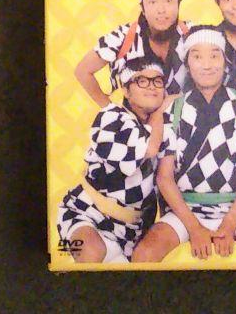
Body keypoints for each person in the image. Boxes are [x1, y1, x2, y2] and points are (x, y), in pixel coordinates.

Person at [131, 26, 236, 263]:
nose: (207, 65)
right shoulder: (173, 107)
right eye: (197, 56)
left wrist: (229, 224)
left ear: (225, 61)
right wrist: (194, 228)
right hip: (185, 209)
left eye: (214, 55)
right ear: (187, 63)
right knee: (144, 256)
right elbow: (164, 177)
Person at [56, 57, 170, 263]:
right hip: (86, 212)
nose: (151, 86)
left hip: (129, 232)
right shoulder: (112, 116)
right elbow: (149, 149)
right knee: (91, 252)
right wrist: (161, 111)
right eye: (142, 81)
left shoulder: (162, 128)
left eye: (158, 81)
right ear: (126, 90)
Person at [75, 0, 191, 104]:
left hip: (181, 115)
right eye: (152, 1)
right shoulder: (123, 36)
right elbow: (82, 71)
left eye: (168, 0)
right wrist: (111, 110)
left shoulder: (193, 35)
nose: (161, 10)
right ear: (143, 8)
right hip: (134, 116)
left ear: (178, 5)